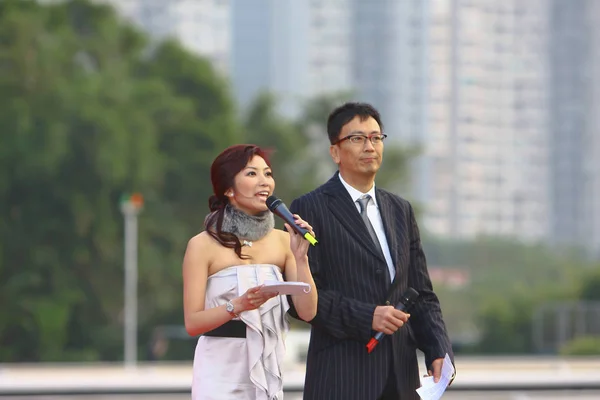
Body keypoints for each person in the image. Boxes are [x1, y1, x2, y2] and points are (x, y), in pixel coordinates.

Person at [288, 102, 454, 400]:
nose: (370, 146)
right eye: (357, 138)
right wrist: (368, 316)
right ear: (335, 151)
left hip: (401, 379)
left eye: (376, 138)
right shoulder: (310, 208)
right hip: (342, 377)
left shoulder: (400, 210)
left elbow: (421, 292)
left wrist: (438, 349)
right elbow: (302, 296)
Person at [182, 144, 318, 400]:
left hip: (268, 362)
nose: (264, 182)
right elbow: (192, 322)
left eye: (268, 173)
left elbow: (308, 311)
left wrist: (301, 258)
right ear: (228, 189)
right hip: (220, 369)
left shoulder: (282, 240)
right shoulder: (201, 245)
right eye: (252, 174)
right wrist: (238, 305)